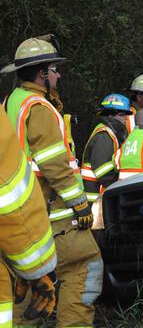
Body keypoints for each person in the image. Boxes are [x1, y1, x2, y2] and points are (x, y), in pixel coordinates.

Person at [1, 35, 103, 327]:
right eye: (55, 70)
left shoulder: (10, 103)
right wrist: (81, 204)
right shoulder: (39, 107)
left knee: (31, 284)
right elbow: (54, 164)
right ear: (41, 73)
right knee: (86, 266)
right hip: (50, 215)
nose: (58, 75)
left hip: (18, 220)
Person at [0, 107, 59, 327]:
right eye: (53, 70)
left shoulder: (17, 100)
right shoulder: (37, 107)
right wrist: (38, 269)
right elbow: (10, 195)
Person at [81, 94, 131, 222]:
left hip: (100, 200)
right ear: (110, 116)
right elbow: (103, 171)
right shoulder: (104, 135)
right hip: (97, 201)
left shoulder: (111, 133)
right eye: (121, 114)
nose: (126, 118)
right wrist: (120, 187)